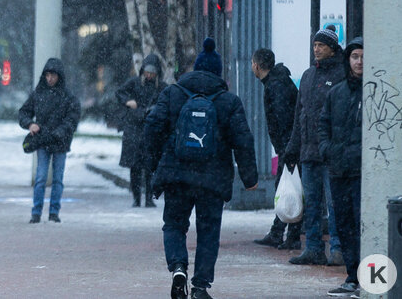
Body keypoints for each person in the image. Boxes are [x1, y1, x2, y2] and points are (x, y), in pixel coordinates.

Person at [144, 37, 258, 299]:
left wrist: (154, 166)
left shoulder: (173, 93)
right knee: (208, 232)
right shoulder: (229, 101)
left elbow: (152, 127)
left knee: (174, 225)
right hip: (213, 179)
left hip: (177, 175)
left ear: (194, 70)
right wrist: (250, 178)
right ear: (218, 72)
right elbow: (243, 139)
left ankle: (178, 267)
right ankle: (200, 286)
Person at [283, 27, 346, 266]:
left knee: (334, 204)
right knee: (311, 204)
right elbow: (301, 114)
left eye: (321, 45)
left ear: (332, 47)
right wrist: (292, 147)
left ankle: (338, 248)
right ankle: (313, 247)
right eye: (314, 45)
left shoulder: (341, 74)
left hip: (330, 153)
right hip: (308, 152)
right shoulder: (308, 76)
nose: (317, 49)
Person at [317, 37, 364, 297]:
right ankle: (352, 275)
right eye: (355, 56)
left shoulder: (374, 90)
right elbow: (323, 123)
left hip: (362, 173)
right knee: (344, 224)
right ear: (348, 60)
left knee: (361, 224)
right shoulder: (337, 92)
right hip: (339, 170)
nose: (359, 61)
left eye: (362, 56)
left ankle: (366, 276)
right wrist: (328, 150)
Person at [250, 48, 302, 250]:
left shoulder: (275, 85)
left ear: (256, 65)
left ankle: (290, 234)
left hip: (289, 147)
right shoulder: (277, 81)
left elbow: (283, 118)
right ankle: (280, 231)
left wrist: (287, 148)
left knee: (289, 189)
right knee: (287, 187)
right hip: (289, 146)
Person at [18, 57, 80, 224]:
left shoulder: (68, 96)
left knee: (57, 180)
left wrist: (60, 132)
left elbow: (73, 118)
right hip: (43, 141)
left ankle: (54, 212)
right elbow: (23, 112)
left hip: (60, 142)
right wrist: (30, 124)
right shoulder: (39, 93)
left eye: (53, 75)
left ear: (59, 76)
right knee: (41, 178)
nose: (50, 78)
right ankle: (36, 213)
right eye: (48, 75)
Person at [115, 53, 165, 207]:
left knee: (150, 167)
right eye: (147, 72)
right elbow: (119, 93)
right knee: (135, 167)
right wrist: (129, 102)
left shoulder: (161, 87)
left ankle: (149, 198)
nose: (149, 75)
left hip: (151, 131)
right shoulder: (135, 83)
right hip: (135, 130)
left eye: (152, 73)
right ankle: (136, 198)